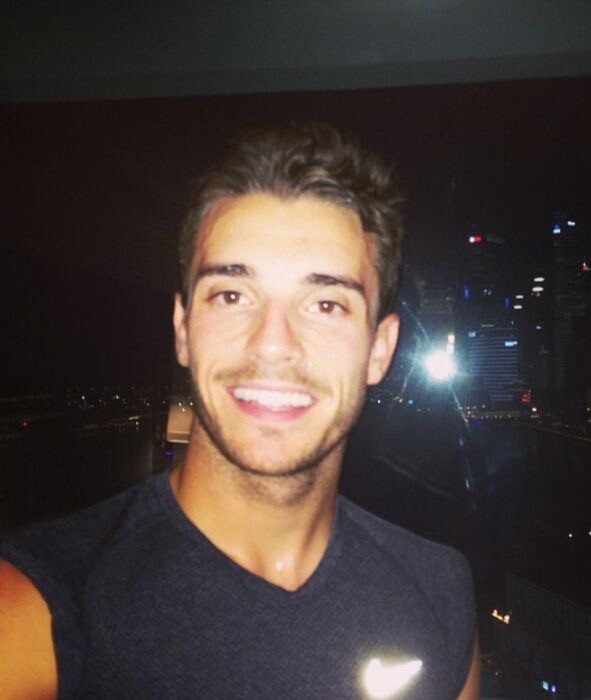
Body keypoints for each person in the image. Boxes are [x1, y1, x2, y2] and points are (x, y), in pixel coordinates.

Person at [0, 122, 479, 699]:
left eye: (326, 305)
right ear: (183, 329)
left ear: (380, 349)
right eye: (232, 296)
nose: (272, 345)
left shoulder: (438, 592)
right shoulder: (36, 606)